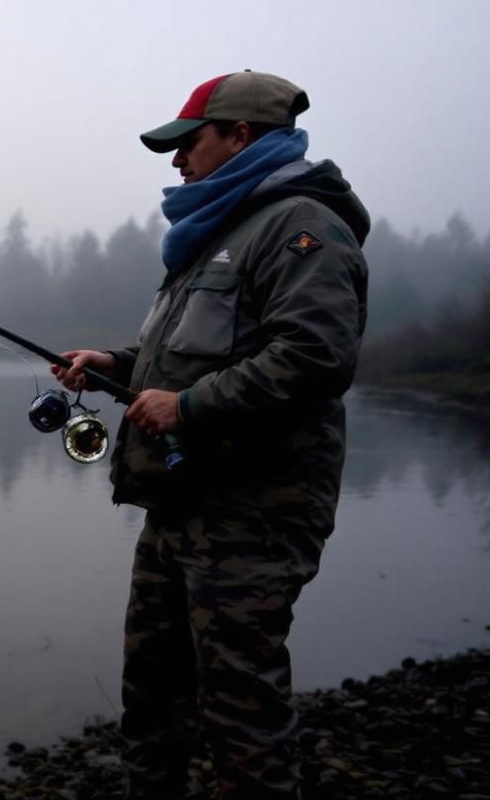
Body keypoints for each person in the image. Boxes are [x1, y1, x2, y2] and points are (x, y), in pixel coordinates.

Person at [51, 71, 370, 799]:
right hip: (181, 502)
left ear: (240, 136)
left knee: (240, 712)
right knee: (151, 694)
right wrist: (112, 366)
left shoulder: (303, 228)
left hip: (252, 513)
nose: (176, 161)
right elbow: (184, 364)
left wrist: (189, 408)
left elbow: (316, 359)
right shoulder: (215, 237)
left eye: (188, 142)